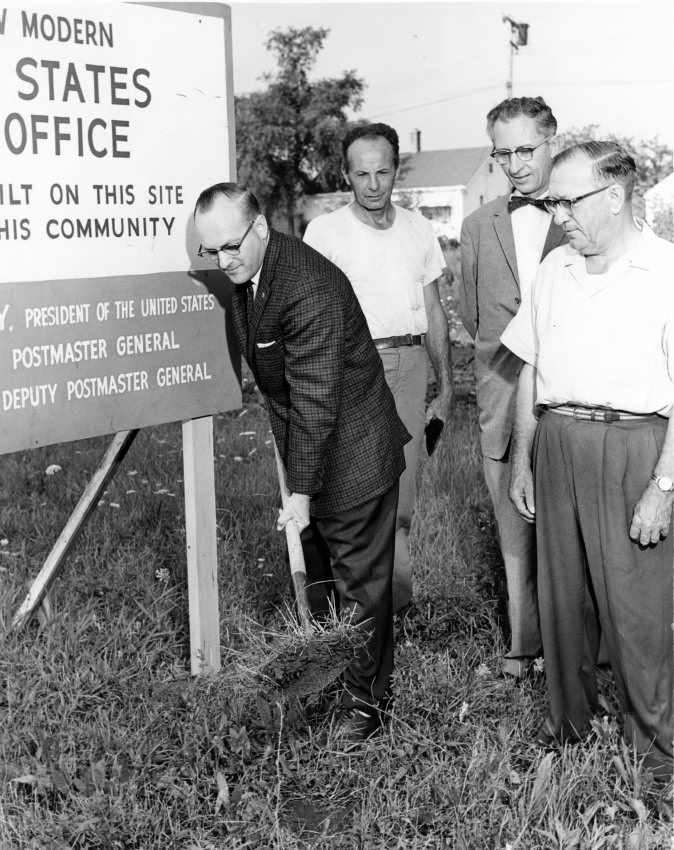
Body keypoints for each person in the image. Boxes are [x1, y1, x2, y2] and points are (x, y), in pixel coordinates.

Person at [193, 183, 410, 743]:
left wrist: (302, 493)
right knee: (326, 581)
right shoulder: (253, 270)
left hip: (354, 455)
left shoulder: (306, 286)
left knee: (362, 588)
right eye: (211, 251)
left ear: (261, 226)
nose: (224, 260)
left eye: (232, 245)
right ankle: (338, 680)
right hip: (315, 446)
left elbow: (315, 398)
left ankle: (369, 706)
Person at [501, 141, 673, 782]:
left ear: (615, 196)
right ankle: (569, 728)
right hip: (558, 442)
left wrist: (664, 484)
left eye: (567, 201)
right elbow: (532, 368)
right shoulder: (554, 269)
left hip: (635, 446)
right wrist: (524, 460)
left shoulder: (666, 272)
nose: (557, 215)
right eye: (552, 203)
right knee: (562, 600)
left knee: (637, 608)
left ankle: (654, 753)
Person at [304, 123, 453, 614]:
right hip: (354, 368)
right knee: (353, 495)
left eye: (382, 172)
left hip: (410, 366)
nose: (373, 184)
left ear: (395, 171)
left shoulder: (418, 229)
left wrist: (445, 388)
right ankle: (346, 614)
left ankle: (395, 615)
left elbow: (434, 313)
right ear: (346, 174)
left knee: (401, 499)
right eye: (361, 173)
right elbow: (309, 318)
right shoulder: (324, 232)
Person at [458, 96, 566, 678]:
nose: (516, 164)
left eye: (527, 149)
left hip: (574, 393)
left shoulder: (584, 214)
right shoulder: (477, 227)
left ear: (553, 140)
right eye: (504, 154)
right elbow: (476, 320)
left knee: (574, 524)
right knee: (513, 524)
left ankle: (582, 651)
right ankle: (522, 648)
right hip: (503, 394)